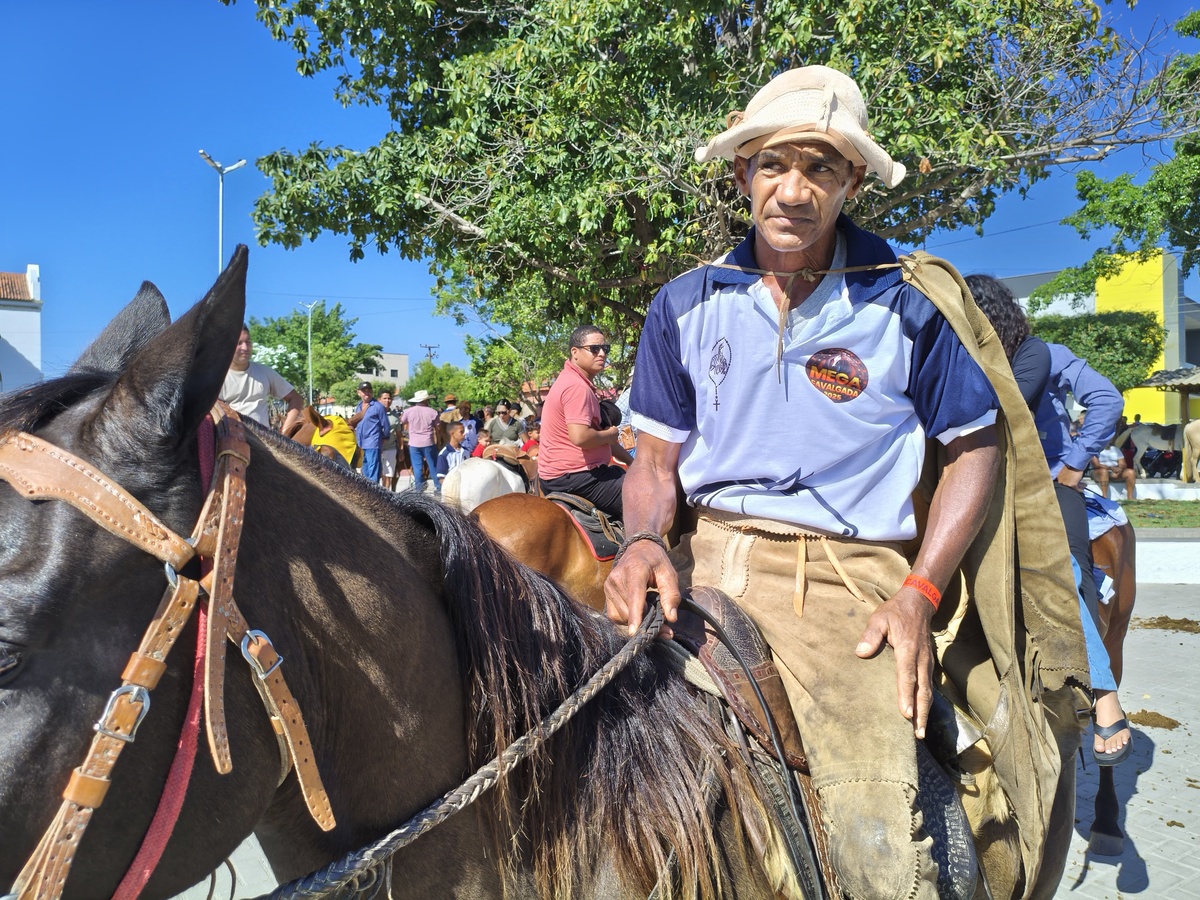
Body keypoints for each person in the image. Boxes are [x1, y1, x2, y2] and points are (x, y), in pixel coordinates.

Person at [603, 66, 1007, 898]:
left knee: (875, 842)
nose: (794, 190)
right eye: (775, 164)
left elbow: (975, 450)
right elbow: (653, 463)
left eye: (821, 168)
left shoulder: (907, 302)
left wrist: (920, 594)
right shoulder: (684, 303)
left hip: (848, 582)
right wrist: (643, 539)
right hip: (703, 555)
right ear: (743, 170)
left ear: (852, 180)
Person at [966, 273, 1133, 766]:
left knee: (1069, 573)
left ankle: (1103, 694)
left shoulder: (1047, 356)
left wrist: (1077, 460)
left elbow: (1108, 399)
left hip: (1050, 488)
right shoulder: (965, 362)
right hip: (986, 488)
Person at [538, 327, 629, 519]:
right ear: (575, 352)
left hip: (559, 477)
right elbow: (581, 437)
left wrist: (633, 463)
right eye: (594, 349)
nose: (602, 353)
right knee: (645, 498)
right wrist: (610, 434)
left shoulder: (571, 380)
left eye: (605, 348)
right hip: (577, 478)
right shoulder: (577, 387)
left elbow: (603, 441)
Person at [220, 325, 303, 431]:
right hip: (231, 441)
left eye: (248, 341)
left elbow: (296, 399)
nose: (245, 348)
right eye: (239, 343)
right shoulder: (217, 378)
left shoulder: (265, 372)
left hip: (264, 442)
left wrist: (285, 431)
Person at [347, 382, 390, 484]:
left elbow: (386, 425)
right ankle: (367, 490)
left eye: (369, 391)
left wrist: (384, 437)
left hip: (373, 441)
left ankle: (374, 492)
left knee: (373, 469)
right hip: (361, 442)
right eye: (364, 391)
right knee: (365, 468)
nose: (367, 393)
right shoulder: (358, 407)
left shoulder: (378, 407)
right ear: (359, 393)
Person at [401, 389, 440, 493]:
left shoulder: (408, 411)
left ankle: (419, 489)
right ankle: (438, 487)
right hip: (428, 442)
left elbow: (402, 421)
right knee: (433, 466)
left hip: (414, 443)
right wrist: (439, 441)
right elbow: (438, 428)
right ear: (426, 400)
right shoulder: (433, 412)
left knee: (417, 467)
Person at [378, 390, 402, 490]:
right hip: (376, 449)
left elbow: (399, 436)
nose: (387, 400)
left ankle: (385, 495)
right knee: (376, 475)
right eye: (384, 398)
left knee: (388, 475)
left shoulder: (395, 417)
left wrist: (401, 451)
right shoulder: (374, 414)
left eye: (389, 398)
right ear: (379, 399)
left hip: (390, 449)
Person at [436, 421, 471, 487]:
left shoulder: (466, 451)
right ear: (452, 434)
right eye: (461, 432)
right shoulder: (444, 454)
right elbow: (441, 478)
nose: (464, 434)